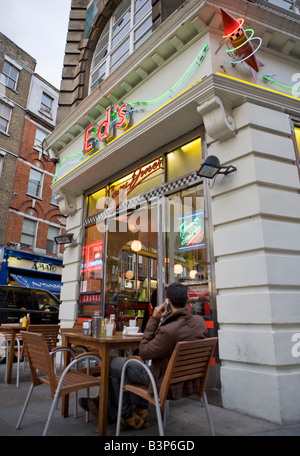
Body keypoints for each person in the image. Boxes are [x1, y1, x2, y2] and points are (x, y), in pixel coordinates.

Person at [80, 282, 208, 430]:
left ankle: (126, 414)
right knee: (130, 364)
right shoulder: (200, 322)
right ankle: (138, 409)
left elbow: (144, 352)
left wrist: (154, 318)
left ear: (167, 302)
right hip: (187, 379)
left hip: (162, 380)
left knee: (111, 363)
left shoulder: (169, 331)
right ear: (187, 301)